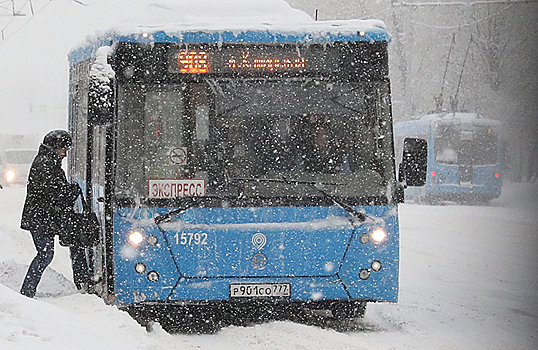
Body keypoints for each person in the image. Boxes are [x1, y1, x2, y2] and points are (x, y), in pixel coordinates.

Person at [20, 130, 90, 297]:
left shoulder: (48, 162)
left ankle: (28, 290)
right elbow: (55, 193)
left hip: (43, 218)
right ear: (55, 148)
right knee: (45, 254)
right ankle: (27, 291)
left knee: (48, 253)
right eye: (63, 150)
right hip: (40, 219)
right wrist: (71, 192)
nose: (65, 154)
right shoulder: (46, 164)